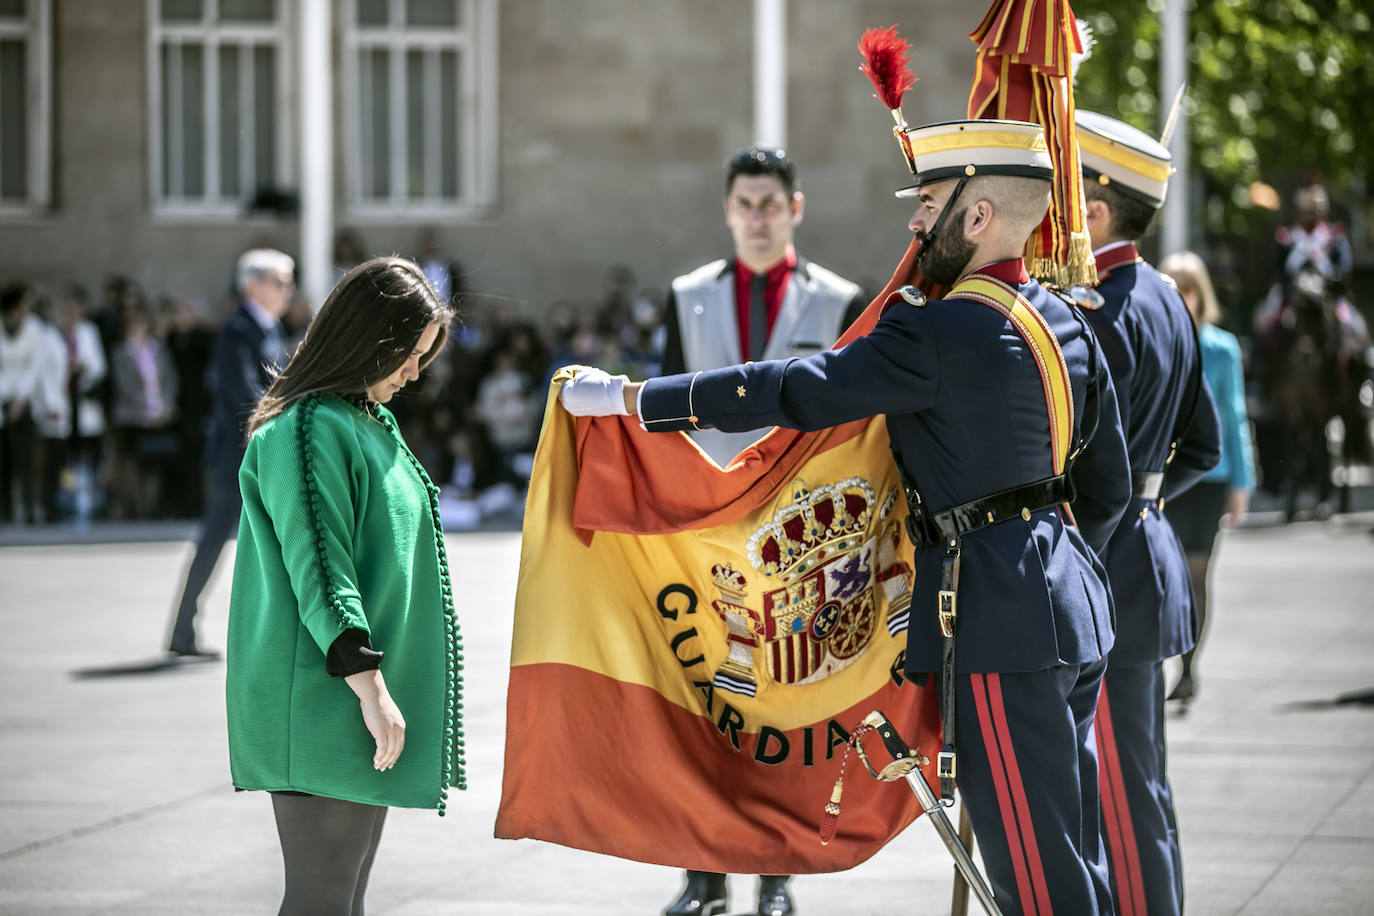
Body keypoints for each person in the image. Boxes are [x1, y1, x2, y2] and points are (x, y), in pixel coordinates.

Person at [561, 119, 1132, 916]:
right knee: (1073, 848)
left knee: (1035, 875)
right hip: (1073, 606)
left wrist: (631, 400)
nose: (914, 222)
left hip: (1001, 621)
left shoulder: (934, 329)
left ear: (976, 217)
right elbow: (1108, 485)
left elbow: (798, 387)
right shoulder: (1065, 319)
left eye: (929, 203)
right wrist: (1050, 571)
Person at [226, 256, 466, 916]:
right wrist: (372, 687)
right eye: (410, 355)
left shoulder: (360, 418)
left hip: (351, 695)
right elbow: (322, 566)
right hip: (325, 694)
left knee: (342, 902)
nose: (415, 374)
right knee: (323, 902)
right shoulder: (306, 427)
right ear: (370, 342)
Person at [1073, 110, 1222, 916]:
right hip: (1145, 552)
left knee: (1121, 792)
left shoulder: (1097, 311)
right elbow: (1203, 447)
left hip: (1102, 571)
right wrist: (1147, 502)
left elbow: (1087, 470)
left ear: (1095, 210)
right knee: (1141, 780)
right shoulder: (1169, 299)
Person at [659, 146, 866, 471]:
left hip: (802, 497)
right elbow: (669, 410)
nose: (756, 219)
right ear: (728, 209)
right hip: (710, 494)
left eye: (769, 205)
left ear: (794, 207)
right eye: (744, 205)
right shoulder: (686, 295)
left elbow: (852, 417)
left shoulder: (840, 301)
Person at [166, 248, 294, 656]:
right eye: (280, 282)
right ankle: (182, 630)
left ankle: (278, 636)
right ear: (253, 285)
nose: (288, 291)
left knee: (278, 544)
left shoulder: (269, 328)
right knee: (214, 540)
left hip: (263, 453)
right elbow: (244, 394)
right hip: (237, 457)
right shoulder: (236, 331)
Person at [1158, 251, 1255, 704]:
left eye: (1188, 286)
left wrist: (1242, 483)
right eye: (1171, 284)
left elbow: (1234, 417)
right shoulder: (1157, 337)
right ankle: (1157, 658)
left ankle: (1189, 669)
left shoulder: (1221, 347)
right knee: (1161, 574)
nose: (1180, 294)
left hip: (1210, 480)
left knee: (1196, 574)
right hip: (1161, 478)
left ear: (1201, 294)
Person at [0, 284, 45, 524]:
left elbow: (34, 366)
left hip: (24, 402)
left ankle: (29, 508)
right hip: (2, 399)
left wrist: (19, 399)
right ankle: (4, 509)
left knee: (26, 457)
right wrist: (6, 397)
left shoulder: (34, 328)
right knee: (3, 460)